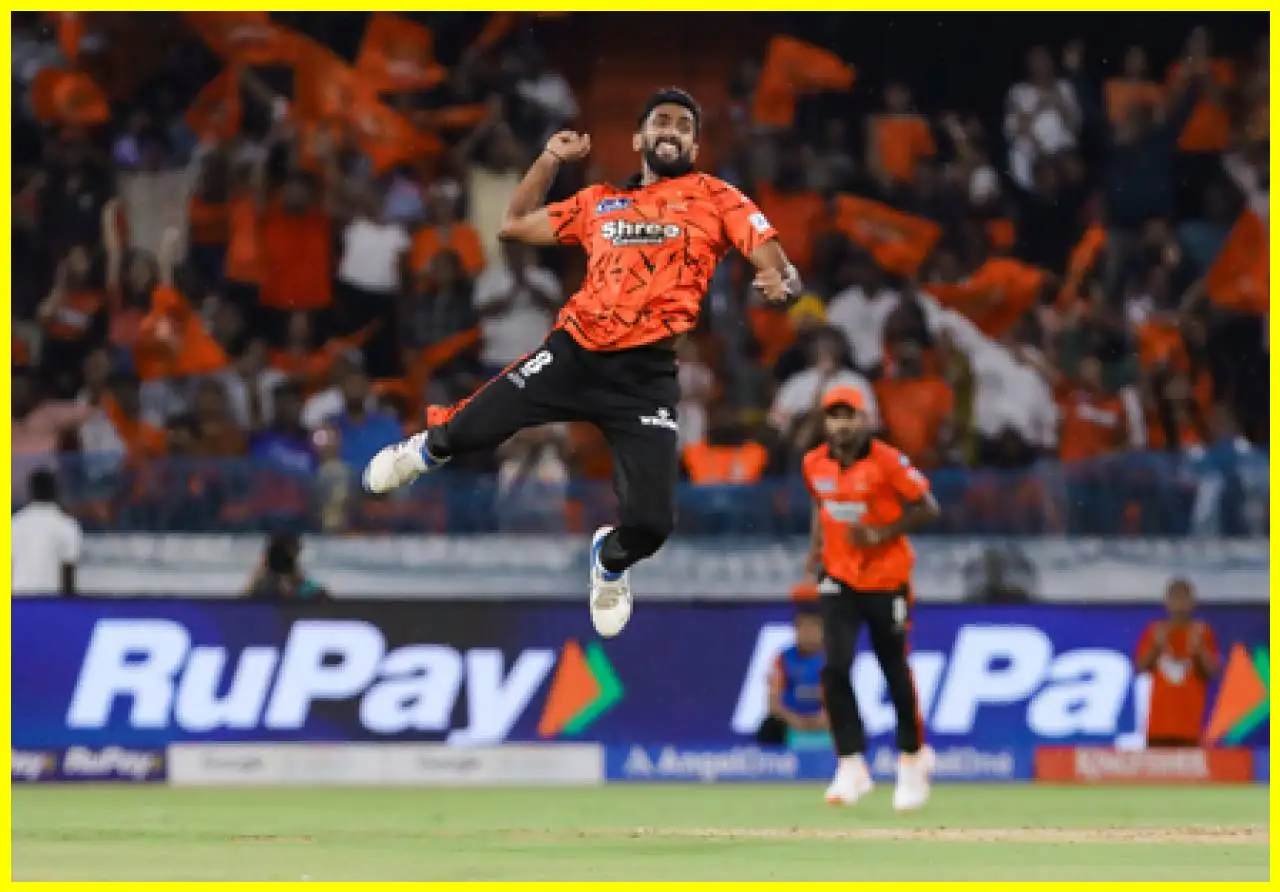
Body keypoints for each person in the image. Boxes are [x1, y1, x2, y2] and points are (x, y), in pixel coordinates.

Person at [364, 87, 802, 637]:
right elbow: (514, 225)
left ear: (694, 145)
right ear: (639, 138)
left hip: (644, 379)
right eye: (661, 121)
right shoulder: (600, 202)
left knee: (651, 524)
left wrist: (781, 283)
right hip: (574, 353)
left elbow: (778, 265)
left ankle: (610, 563)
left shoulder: (718, 198)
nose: (671, 131)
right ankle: (422, 451)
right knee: (467, 432)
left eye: (683, 126)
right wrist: (549, 159)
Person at [802, 386, 940, 810]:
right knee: (835, 666)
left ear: (865, 420)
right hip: (839, 575)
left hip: (886, 578)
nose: (841, 425)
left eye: (849, 416)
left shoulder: (887, 461)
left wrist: (881, 533)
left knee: (893, 668)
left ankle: (912, 758)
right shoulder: (813, 462)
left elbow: (927, 507)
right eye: (834, 416)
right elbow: (820, 505)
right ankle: (851, 764)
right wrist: (815, 549)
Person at [1134, 578, 1220, 747]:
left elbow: (1212, 673)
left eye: (1184, 598)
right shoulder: (1155, 630)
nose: (1180, 603)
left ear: (1192, 601)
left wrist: (1200, 650)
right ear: (1167, 601)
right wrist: (1156, 647)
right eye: (1175, 597)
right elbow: (1140, 668)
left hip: (1190, 727)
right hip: (1158, 727)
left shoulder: (1202, 632)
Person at [757, 603, 828, 746]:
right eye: (803, 628)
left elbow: (838, 699)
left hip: (822, 719)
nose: (808, 634)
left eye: (814, 627)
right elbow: (774, 702)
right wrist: (794, 720)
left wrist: (822, 719)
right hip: (790, 719)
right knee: (769, 728)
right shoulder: (783, 659)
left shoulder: (832, 660)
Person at [12, 470, 83, 597]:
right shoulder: (67, 525)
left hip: (17, 600)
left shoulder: (14, 524)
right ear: (56, 491)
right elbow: (68, 573)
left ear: (30, 492)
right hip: (51, 601)